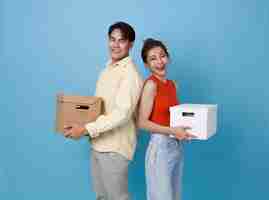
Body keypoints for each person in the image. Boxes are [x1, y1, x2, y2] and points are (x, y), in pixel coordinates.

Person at [63, 22, 143, 200]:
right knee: (102, 197)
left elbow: (122, 114)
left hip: (115, 148)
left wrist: (85, 129)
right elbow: (100, 108)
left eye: (121, 41)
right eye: (112, 39)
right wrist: (82, 125)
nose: (115, 45)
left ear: (130, 44)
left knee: (117, 198)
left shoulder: (130, 74)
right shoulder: (107, 69)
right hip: (99, 143)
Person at [137, 38, 196, 200]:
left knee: (175, 196)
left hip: (176, 145)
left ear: (168, 57)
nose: (159, 62)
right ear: (146, 64)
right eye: (153, 59)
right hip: (160, 146)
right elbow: (142, 122)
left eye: (162, 56)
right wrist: (172, 131)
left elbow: (174, 117)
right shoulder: (151, 85)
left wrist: (187, 131)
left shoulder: (173, 85)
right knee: (162, 197)